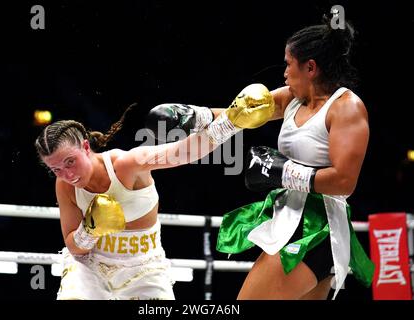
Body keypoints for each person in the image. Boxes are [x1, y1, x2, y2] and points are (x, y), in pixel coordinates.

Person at [146, 18, 375, 300]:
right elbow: (244, 112)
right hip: (292, 220)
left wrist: (283, 173)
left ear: (311, 68)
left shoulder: (347, 109)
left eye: (289, 64)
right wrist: (195, 115)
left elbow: (344, 181)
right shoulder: (292, 98)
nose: (285, 74)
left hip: (314, 229)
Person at [35, 84, 274, 300]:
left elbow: (184, 153)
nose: (66, 174)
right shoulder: (64, 186)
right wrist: (89, 230)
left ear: (86, 147)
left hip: (143, 268)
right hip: (91, 267)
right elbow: (73, 245)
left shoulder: (125, 164)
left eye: (69, 162)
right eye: (55, 168)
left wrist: (231, 122)